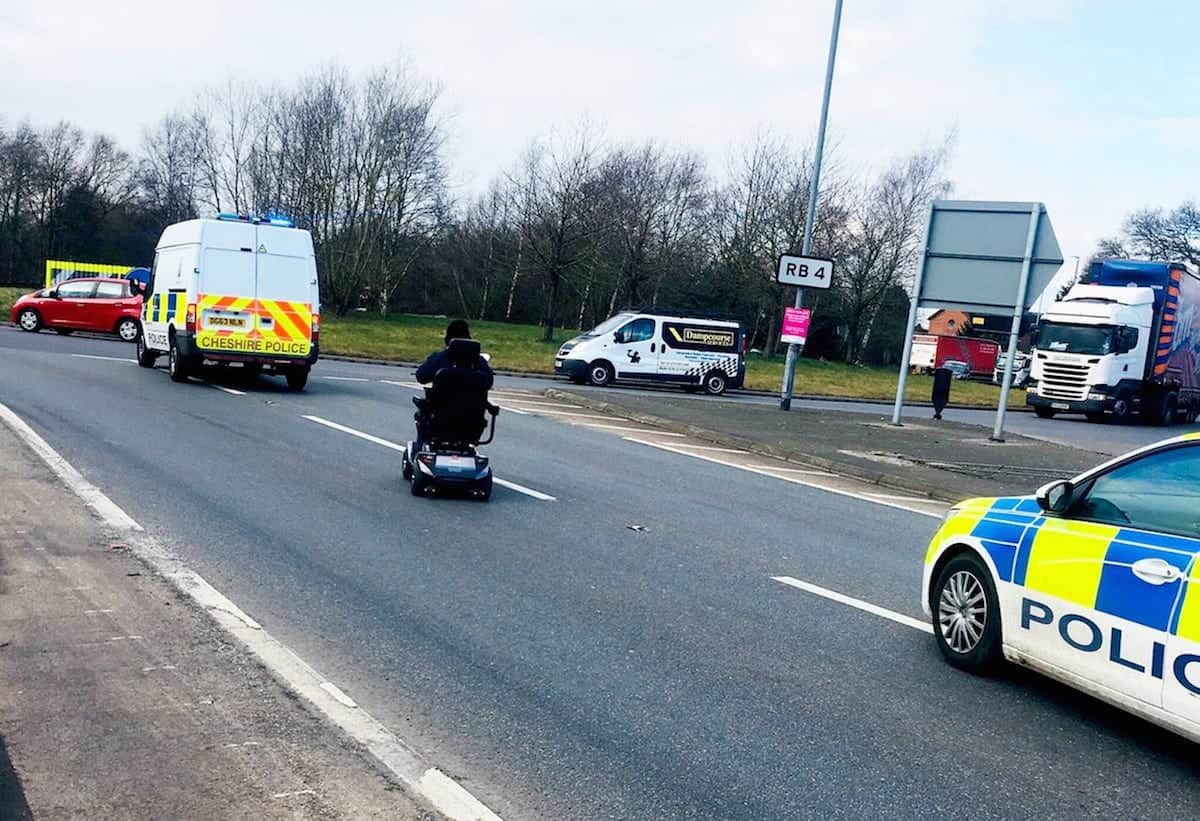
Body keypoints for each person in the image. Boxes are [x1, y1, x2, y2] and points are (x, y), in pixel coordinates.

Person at [412, 320, 494, 452]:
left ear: (447, 339)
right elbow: (489, 382)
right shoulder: (480, 363)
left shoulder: (439, 358)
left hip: (439, 422)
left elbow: (421, 376)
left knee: (422, 414)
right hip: (472, 424)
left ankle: (419, 450)